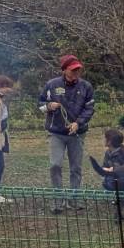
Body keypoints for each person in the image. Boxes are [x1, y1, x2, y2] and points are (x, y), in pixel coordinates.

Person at [39, 54, 95, 213]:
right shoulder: (51, 85)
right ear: (64, 70)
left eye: (78, 69)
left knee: (75, 168)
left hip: (77, 133)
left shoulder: (86, 87)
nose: (77, 72)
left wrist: (78, 123)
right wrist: (49, 106)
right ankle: (58, 201)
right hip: (56, 133)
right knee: (55, 165)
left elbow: (89, 108)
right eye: (73, 69)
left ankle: (74, 200)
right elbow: (40, 104)